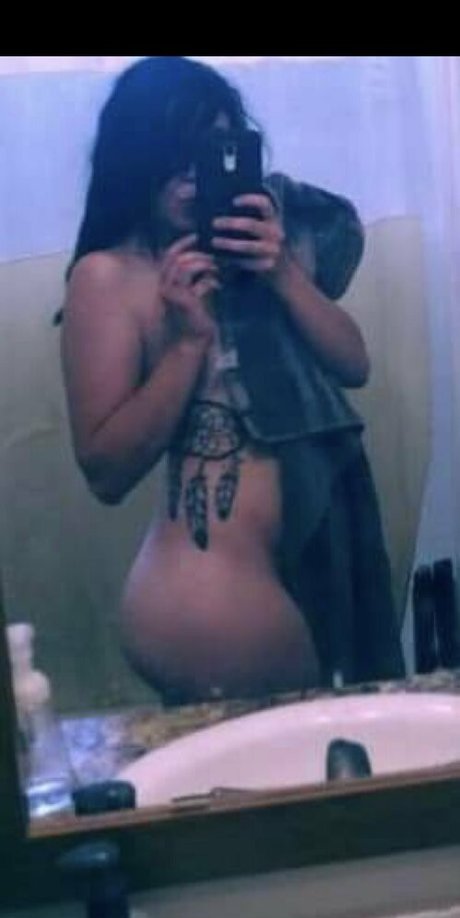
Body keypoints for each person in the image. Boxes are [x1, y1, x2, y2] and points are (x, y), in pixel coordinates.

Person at [59, 56, 405, 705]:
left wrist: (282, 272)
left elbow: (353, 364)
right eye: (175, 153)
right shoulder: (110, 276)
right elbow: (105, 469)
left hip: (309, 562)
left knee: (340, 753)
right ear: (134, 155)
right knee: (319, 761)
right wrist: (188, 343)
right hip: (214, 592)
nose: (194, 176)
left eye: (212, 150)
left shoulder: (264, 249)